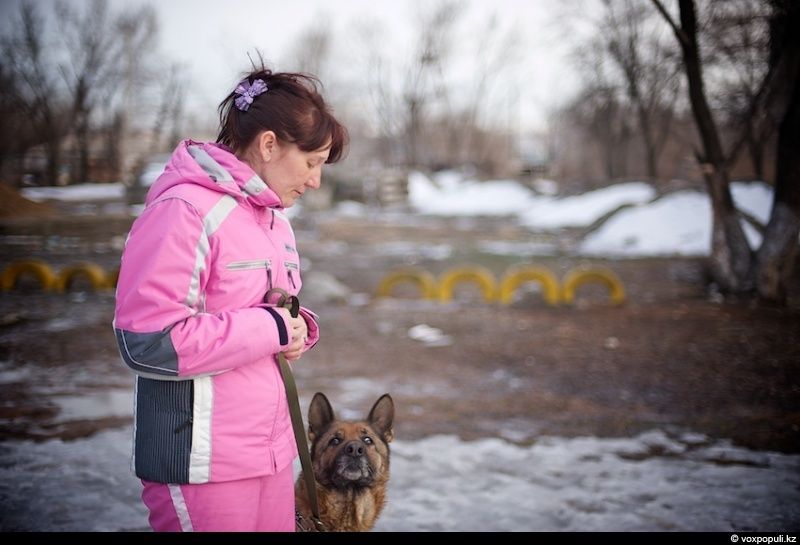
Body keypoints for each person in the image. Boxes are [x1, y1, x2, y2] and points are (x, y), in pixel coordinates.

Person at [112, 66, 348, 532]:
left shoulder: (274, 220)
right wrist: (272, 327)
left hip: (271, 455)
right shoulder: (183, 210)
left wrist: (295, 326)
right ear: (269, 145)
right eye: (312, 162)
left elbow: (263, 311)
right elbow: (149, 342)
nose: (316, 181)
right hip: (200, 463)